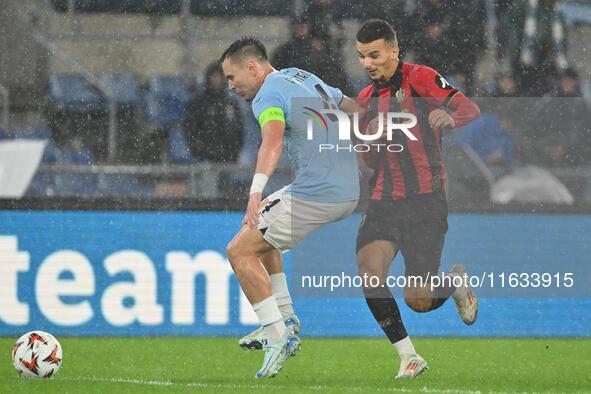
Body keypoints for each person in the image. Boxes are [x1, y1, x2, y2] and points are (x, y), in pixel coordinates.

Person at [220, 37, 363, 378]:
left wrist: (254, 192)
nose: (230, 86)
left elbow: (272, 139)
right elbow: (355, 108)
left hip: (319, 191)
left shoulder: (268, 94)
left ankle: (276, 334)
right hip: (343, 188)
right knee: (261, 234)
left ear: (252, 68)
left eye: (232, 77)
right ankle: (284, 316)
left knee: (238, 252)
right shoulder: (301, 76)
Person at [353, 19, 481, 379]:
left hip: (425, 202)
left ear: (394, 51)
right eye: (362, 56)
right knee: (370, 274)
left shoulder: (421, 78)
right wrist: (365, 150)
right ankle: (409, 356)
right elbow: (369, 158)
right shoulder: (365, 100)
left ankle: (454, 284)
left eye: (374, 55)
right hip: (382, 201)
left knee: (419, 300)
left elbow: (470, 108)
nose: (368, 63)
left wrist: (451, 116)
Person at [183, 62, 244, 163]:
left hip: (229, 158)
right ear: (208, 78)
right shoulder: (198, 104)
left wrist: (231, 152)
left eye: (219, 76)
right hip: (204, 158)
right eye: (214, 76)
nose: (216, 80)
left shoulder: (231, 104)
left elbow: (238, 131)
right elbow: (191, 131)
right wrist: (206, 151)